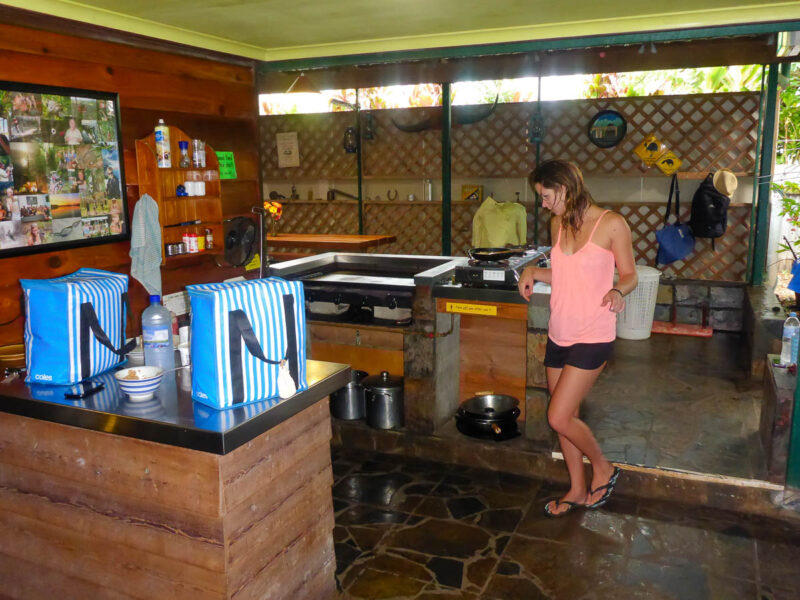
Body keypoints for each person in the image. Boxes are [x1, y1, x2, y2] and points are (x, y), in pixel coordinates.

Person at [518, 159, 638, 517]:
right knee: (566, 416)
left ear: (566, 188)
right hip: (560, 331)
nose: (542, 203)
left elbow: (630, 273)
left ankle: (602, 467)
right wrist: (532, 270)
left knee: (557, 417)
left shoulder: (612, 224)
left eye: (545, 195)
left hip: (593, 333)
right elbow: (566, 275)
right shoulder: (557, 223)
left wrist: (619, 291)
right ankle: (576, 488)